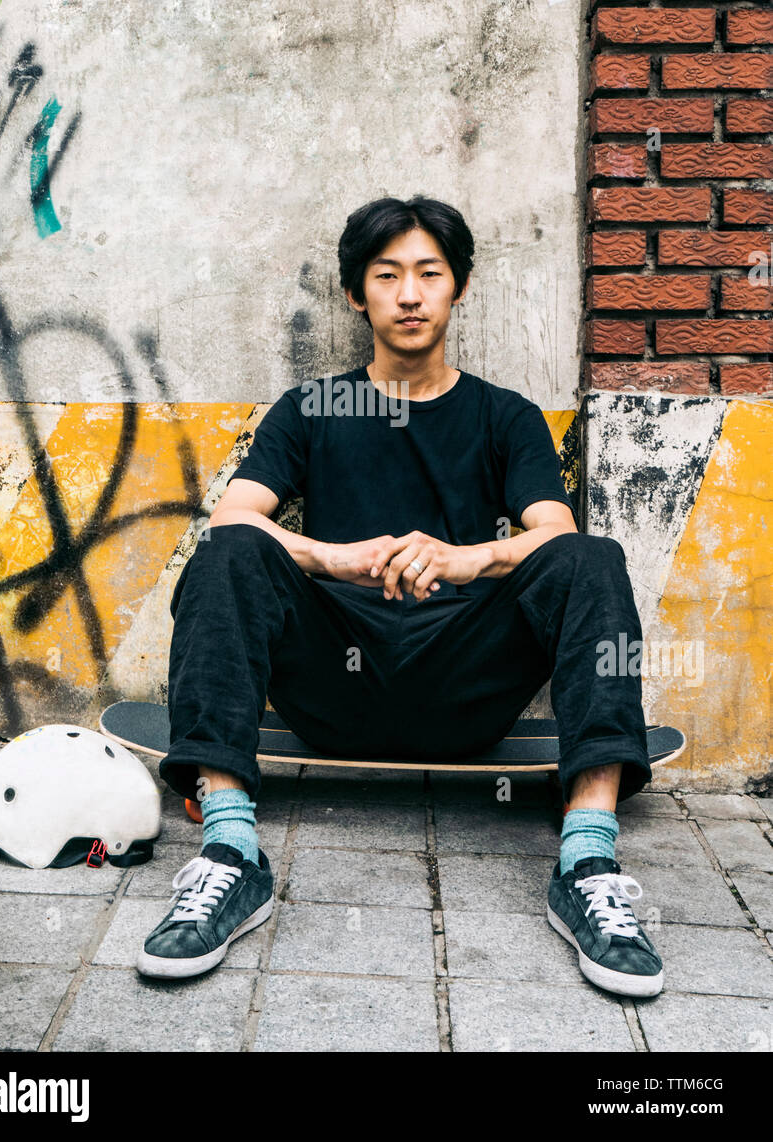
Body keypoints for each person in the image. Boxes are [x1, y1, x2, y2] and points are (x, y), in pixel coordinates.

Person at [137, 195, 663, 998]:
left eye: (428, 274)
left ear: (457, 287)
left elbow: (550, 534)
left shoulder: (504, 416)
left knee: (588, 555)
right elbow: (236, 515)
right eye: (387, 276)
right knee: (229, 546)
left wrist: (466, 560)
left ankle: (587, 859)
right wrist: (330, 557)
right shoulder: (313, 408)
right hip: (332, 685)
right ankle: (229, 853)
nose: (409, 294)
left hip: (465, 686)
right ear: (357, 294)